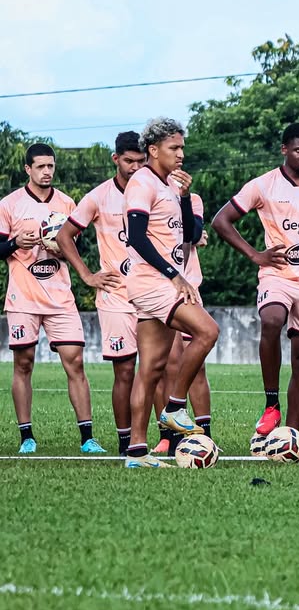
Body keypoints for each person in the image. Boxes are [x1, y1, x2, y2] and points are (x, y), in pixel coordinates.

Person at [212, 123, 299, 435]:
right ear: (284, 150)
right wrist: (255, 255)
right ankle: (271, 404)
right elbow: (221, 220)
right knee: (272, 320)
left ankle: (289, 434)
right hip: (277, 275)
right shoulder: (264, 185)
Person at [122, 118, 220, 468]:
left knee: (150, 367)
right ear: (153, 150)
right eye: (173, 148)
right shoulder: (141, 182)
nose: (181, 154)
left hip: (161, 281)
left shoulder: (169, 186)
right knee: (208, 331)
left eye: (182, 147)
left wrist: (181, 198)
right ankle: (176, 407)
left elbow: (189, 235)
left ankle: (136, 452)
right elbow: (136, 237)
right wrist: (174, 275)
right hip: (153, 282)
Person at [0, 143, 104, 454]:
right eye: (41, 167)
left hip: (60, 297)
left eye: (51, 166)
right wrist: (16, 241)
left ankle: (87, 438)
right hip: (23, 298)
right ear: (27, 169)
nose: (47, 172)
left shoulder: (67, 203)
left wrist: (61, 246)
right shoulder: (9, 204)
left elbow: (77, 246)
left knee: (75, 363)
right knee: (24, 364)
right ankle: (26, 437)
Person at [56, 131, 146, 455]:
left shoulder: (154, 192)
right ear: (116, 159)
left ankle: (162, 438)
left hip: (152, 294)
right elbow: (66, 236)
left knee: (159, 369)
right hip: (116, 297)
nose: (135, 167)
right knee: (125, 370)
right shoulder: (98, 196)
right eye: (129, 160)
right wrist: (87, 275)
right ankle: (126, 444)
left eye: (141, 161)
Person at [153, 191, 212, 454]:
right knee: (165, 365)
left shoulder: (192, 199)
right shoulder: (145, 196)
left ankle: (204, 435)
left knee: (197, 366)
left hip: (189, 289)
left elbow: (194, 231)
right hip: (155, 288)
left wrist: (185, 200)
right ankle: (168, 436)